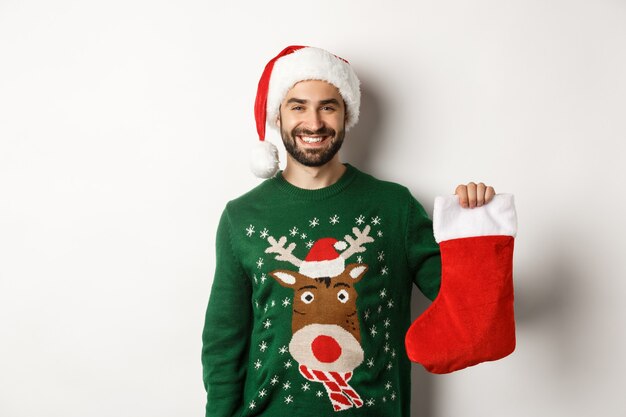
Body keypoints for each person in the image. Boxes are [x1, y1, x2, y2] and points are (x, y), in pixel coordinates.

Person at [201, 45, 505, 417]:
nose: (313, 123)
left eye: (328, 106)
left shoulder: (395, 207)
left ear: (347, 115)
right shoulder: (242, 216)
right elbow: (223, 342)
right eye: (298, 106)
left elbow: (466, 311)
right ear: (277, 117)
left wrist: (475, 232)